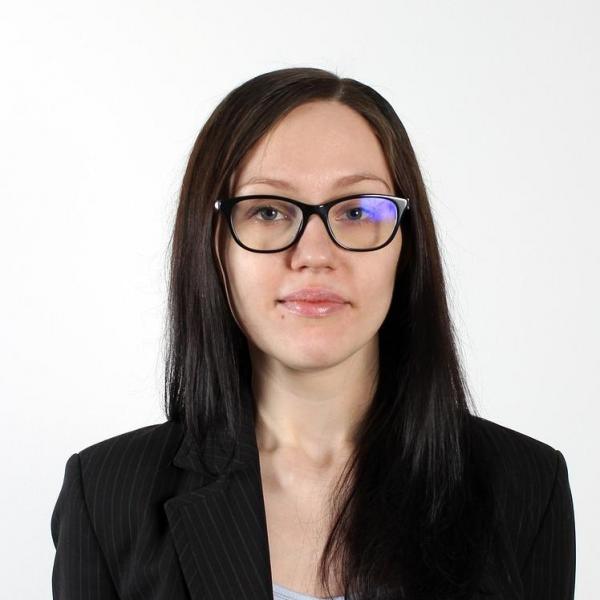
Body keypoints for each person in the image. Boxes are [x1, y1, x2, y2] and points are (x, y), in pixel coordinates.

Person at [51, 67, 576, 600]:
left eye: (357, 211)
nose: (316, 254)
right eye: (268, 211)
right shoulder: (106, 495)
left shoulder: (526, 486)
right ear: (212, 245)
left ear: (406, 244)